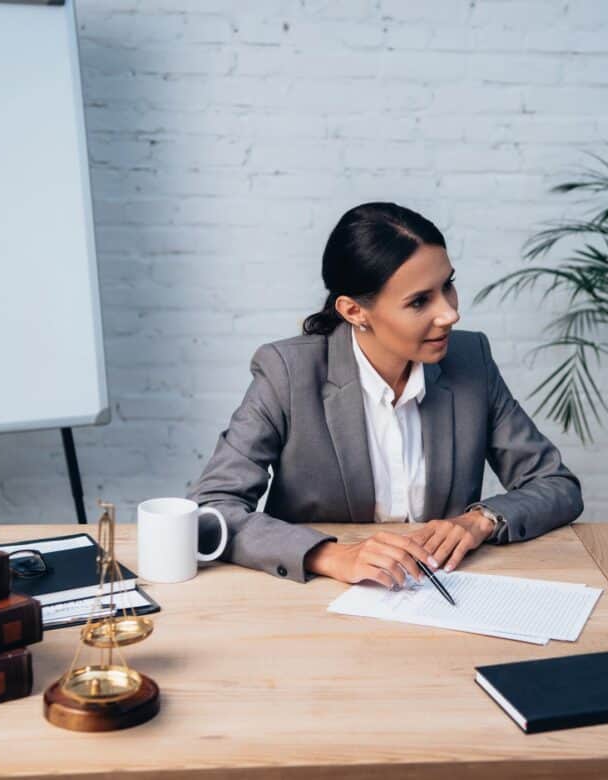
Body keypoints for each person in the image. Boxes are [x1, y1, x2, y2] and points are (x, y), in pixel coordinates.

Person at [189, 202, 583, 588]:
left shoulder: (472, 362)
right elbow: (212, 510)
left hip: (438, 592)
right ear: (354, 311)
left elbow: (556, 485)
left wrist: (480, 520)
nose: (449, 314)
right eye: (419, 301)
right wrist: (330, 556)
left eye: (448, 285)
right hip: (318, 598)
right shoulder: (287, 373)